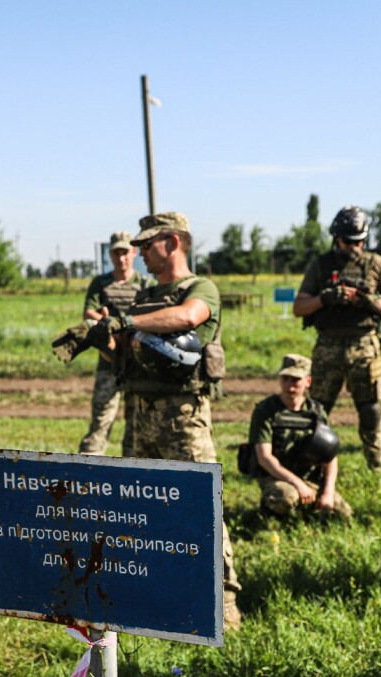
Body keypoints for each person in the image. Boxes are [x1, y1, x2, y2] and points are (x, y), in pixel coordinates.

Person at [94, 211, 242, 626]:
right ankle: (159, 590)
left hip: (184, 417)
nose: (140, 253)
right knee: (142, 509)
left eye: (147, 245)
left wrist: (126, 320)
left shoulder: (200, 288)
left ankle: (225, 599)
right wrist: (102, 339)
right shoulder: (143, 297)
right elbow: (125, 352)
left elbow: (186, 318)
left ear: (174, 242)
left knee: (202, 505)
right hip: (140, 414)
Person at [292, 205, 381, 475]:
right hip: (328, 346)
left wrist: (370, 301)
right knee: (317, 411)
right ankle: (311, 467)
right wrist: (325, 298)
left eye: (359, 241)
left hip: (364, 346)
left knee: (370, 411)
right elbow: (299, 307)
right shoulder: (321, 265)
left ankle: (378, 469)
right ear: (336, 238)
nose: (354, 246)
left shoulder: (376, 264)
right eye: (348, 241)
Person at [246, 353, 351, 519]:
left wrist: (328, 492)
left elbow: (330, 456)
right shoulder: (266, 410)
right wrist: (298, 484)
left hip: (309, 476)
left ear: (307, 382)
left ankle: (306, 512)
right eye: (285, 378)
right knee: (286, 498)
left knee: (341, 514)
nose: (289, 385)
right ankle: (271, 514)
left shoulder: (316, 412)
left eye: (295, 380)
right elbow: (264, 458)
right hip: (276, 477)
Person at [77, 231, 153, 456]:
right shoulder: (101, 283)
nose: (122, 258)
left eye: (125, 252)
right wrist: (109, 323)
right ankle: (88, 468)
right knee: (101, 419)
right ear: (110, 255)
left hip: (136, 363)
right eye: (117, 253)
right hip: (108, 360)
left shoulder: (145, 283)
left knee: (135, 423)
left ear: (134, 253)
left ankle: (129, 473)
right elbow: (88, 312)